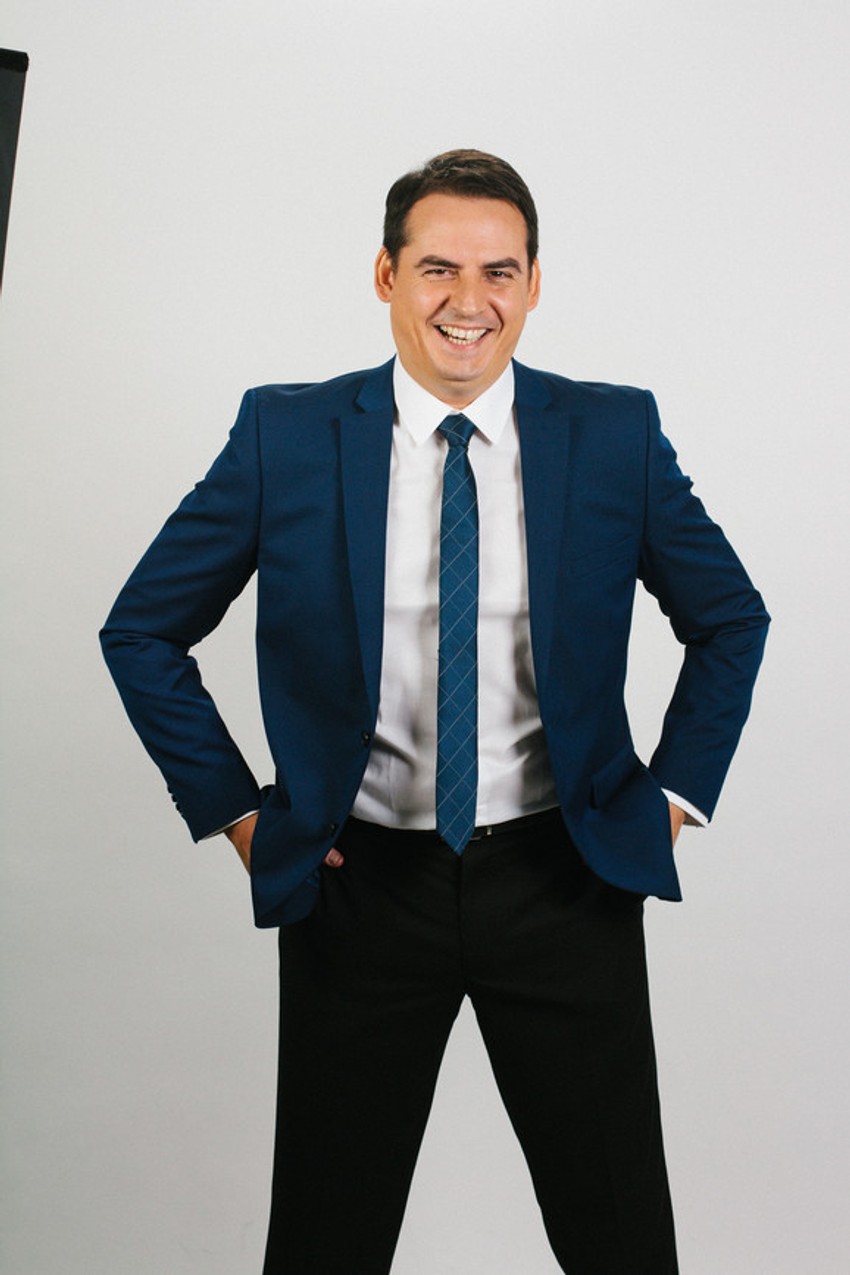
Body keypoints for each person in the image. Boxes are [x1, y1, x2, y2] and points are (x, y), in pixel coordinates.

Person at [101, 149, 769, 1274]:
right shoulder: (286, 435)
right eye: (438, 269)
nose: (471, 300)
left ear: (534, 284)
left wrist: (671, 800)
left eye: (499, 271)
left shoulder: (612, 435)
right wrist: (241, 816)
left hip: (566, 878)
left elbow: (729, 618)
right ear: (386, 276)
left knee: (620, 1239)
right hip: (359, 888)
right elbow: (143, 629)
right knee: (326, 1240)